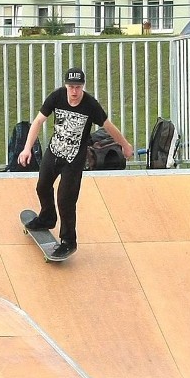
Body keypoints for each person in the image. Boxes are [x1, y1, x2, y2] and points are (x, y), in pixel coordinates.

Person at [18, 67, 133, 259]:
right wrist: (27, 148)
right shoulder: (57, 97)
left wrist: (126, 145)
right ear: (66, 86)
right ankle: (47, 217)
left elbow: (108, 126)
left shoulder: (90, 105)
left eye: (78, 88)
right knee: (42, 186)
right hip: (54, 151)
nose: (74, 92)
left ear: (83, 87)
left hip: (74, 160)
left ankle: (68, 241)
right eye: (71, 87)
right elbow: (38, 121)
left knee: (66, 200)